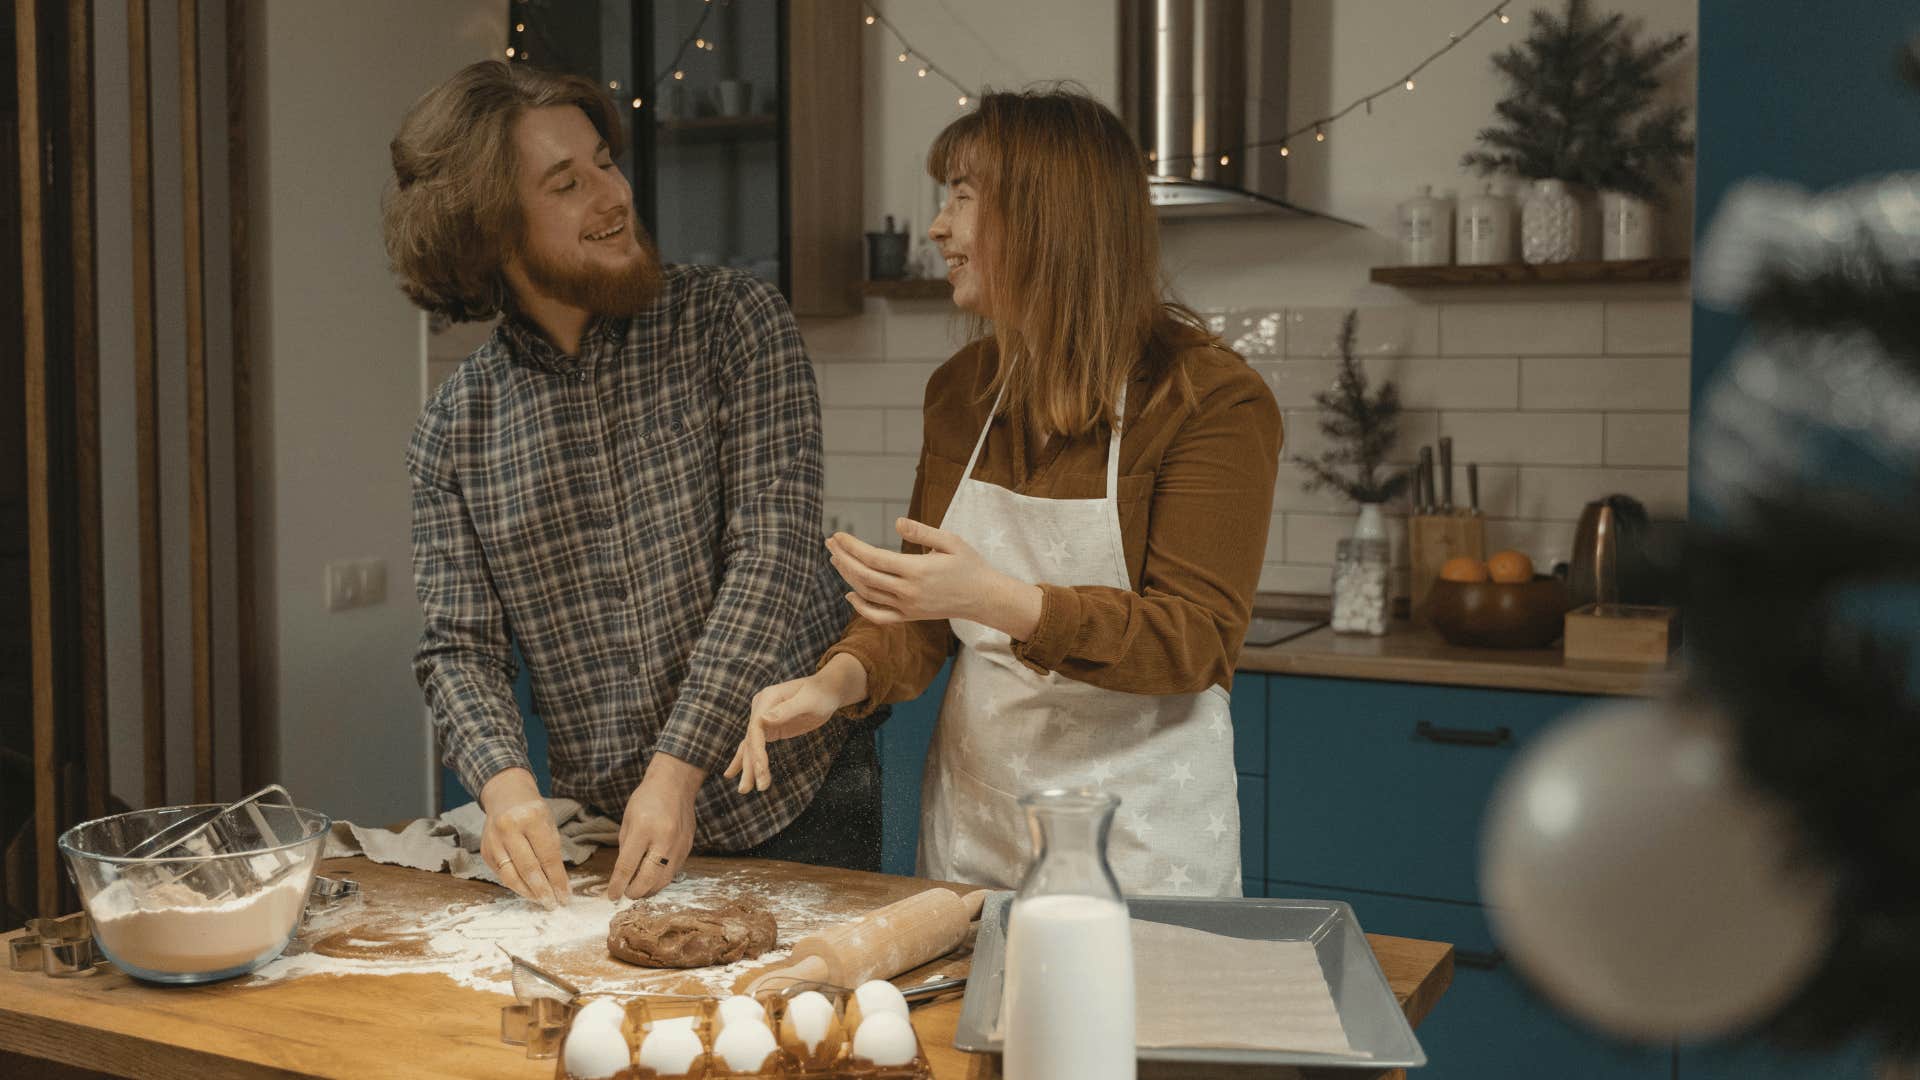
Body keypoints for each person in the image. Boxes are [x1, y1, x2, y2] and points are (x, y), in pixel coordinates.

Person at [725, 88, 1281, 896]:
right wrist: (836, 682)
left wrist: (996, 598)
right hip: (977, 831)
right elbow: (922, 620)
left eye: (961, 196)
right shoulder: (963, 390)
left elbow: (1194, 642)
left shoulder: (1208, 398)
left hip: (1138, 844)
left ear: (1044, 215)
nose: (938, 228)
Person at [387, 61, 877, 906]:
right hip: (611, 828)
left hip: (801, 803)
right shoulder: (452, 430)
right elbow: (459, 648)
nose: (612, 195)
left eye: (605, 163)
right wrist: (506, 790)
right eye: (566, 183)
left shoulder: (735, 324)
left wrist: (677, 769)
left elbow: (771, 559)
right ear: (489, 230)